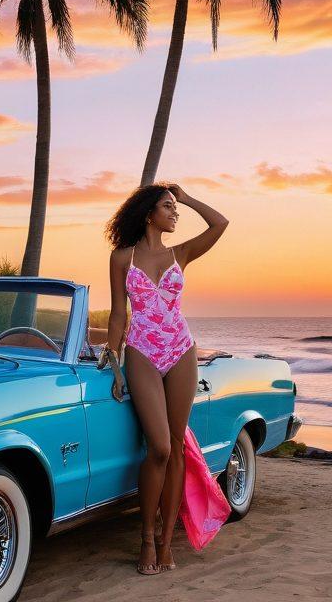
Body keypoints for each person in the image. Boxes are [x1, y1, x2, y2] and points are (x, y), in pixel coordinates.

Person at [103, 182, 228, 575]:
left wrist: (187, 198)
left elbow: (220, 222)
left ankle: (164, 539)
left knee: (175, 446)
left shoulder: (181, 253)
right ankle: (145, 535)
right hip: (141, 350)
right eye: (168, 207)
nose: (175, 213)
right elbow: (119, 314)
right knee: (157, 447)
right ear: (147, 213)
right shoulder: (122, 256)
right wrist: (114, 359)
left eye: (176, 207)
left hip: (180, 350)